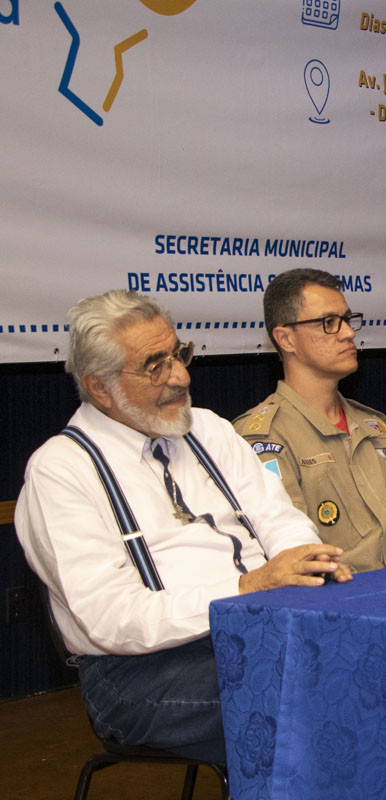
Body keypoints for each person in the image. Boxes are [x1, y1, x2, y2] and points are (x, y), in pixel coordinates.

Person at [14, 290, 350, 765]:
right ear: (100, 387)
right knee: (312, 696)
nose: (181, 376)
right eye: (155, 365)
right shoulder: (61, 471)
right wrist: (246, 587)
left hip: (264, 623)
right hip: (139, 673)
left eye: (178, 354)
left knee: (366, 661)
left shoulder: (209, 429)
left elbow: (279, 519)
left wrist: (303, 563)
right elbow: (112, 620)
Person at [234, 269, 386, 573]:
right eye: (329, 323)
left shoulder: (374, 427)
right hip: (337, 605)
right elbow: (297, 557)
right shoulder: (264, 439)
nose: (348, 333)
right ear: (286, 339)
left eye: (347, 319)